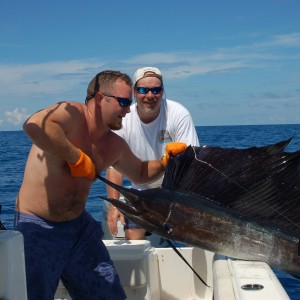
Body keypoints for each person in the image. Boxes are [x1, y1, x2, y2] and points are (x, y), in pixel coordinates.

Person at [14, 70, 187, 300]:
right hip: (38, 228)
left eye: (129, 103)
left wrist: (166, 161)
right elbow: (34, 125)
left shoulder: (114, 144)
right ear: (99, 99)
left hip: (78, 229)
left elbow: (141, 172)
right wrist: (75, 156)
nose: (128, 109)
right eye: (124, 102)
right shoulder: (73, 114)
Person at [107, 67, 199, 242]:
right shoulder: (124, 119)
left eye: (156, 90)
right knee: (133, 238)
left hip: (176, 194)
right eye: (143, 90)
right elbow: (115, 168)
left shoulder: (178, 114)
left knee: (196, 238)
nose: (150, 95)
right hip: (140, 193)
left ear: (162, 91)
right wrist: (114, 204)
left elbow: (192, 164)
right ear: (134, 92)